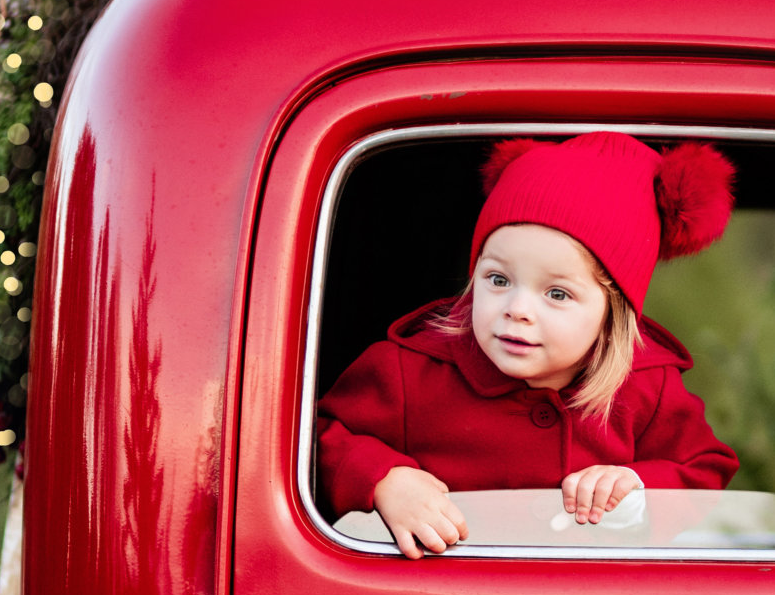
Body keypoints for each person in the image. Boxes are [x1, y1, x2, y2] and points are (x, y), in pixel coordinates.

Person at [317, 132, 740, 558]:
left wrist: (639, 490)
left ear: (612, 312)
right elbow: (318, 439)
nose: (517, 309)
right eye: (498, 280)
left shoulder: (646, 388)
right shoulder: (410, 370)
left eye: (557, 294)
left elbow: (704, 470)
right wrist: (383, 480)